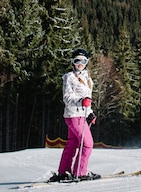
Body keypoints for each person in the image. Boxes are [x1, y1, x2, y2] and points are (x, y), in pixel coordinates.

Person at [50, 48, 100, 182]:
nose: (80, 64)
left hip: (80, 115)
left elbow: (87, 100)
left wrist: (90, 113)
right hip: (73, 116)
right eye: (77, 61)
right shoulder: (69, 77)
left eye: (83, 61)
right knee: (88, 144)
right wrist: (80, 101)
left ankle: (63, 171)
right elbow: (67, 97)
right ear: (72, 62)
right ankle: (80, 172)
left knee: (72, 143)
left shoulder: (87, 78)